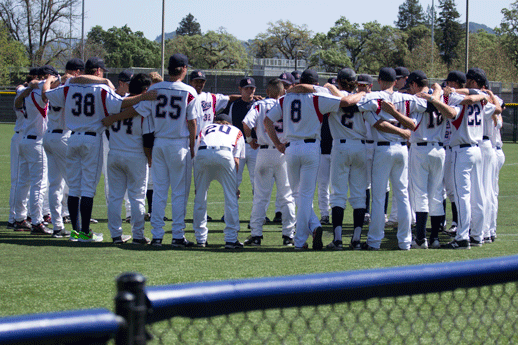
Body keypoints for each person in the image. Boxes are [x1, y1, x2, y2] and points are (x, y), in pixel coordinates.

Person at [44, 57, 152, 242]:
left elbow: (47, 94)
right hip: (92, 139)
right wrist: (143, 97)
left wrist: (49, 80)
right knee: (87, 188)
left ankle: (75, 232)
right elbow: (121, 104)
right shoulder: (101, 88)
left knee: (74, 187)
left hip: (72, 137)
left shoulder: (70, 86)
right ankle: (85, 232)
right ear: (98, 71)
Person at [103, 53, 200, 247]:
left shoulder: (155, 88)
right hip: (178, 143)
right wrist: (192, 145)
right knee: (179, 192)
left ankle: (157, 235)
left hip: (159, 143)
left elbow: (137, 110)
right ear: (183, 69)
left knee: (159, 191)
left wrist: (113, 118)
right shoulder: (189, 91)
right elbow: (192, 122)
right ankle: (177, 235)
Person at [264, 69, 361, 250]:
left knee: (297, 195)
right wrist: (362, 93)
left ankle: (313, 227)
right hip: (311, 147)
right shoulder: (317, 97)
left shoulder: (285, 99)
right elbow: (346, 102)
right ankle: (303, 238)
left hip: (291, 147)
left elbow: (267, 121)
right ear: (315, 83)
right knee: (306, 195)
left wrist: (278, 144)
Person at [357, 67, 423, 250]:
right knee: (402, 195)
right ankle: (404, 241)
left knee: (378, 197)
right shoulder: (409, 98)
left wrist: (395, 117)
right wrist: (403, 130)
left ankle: (374, 241)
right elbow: (415, 120)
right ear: (396, 81)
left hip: (383, 149)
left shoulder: (373, 97)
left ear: (379, 80)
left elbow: (376, 122)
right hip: (402, 149)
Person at [437, 68, 497, 249]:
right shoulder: (481, 96)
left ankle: (462, 236)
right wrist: (481, 96)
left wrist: (442, 95)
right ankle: (478, 235)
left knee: (463, 196)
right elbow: (494, 107)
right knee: (478, 195)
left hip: (461, 150)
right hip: (477, 148)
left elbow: (450, 108)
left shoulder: (458, 97)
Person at [399, 71, 459, 249]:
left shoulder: (418, 99)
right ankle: (434, 238)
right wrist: (437, 90)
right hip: (440, 148)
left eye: (411, 85)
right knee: (436, 194)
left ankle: (420, 239)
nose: (410, 88)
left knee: (420, 193)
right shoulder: (437, 97)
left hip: (421, 148)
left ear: (416, 84)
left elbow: (413, 125)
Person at [242, 78, 296, 246]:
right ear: (283, 92)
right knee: (287, 196)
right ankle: (288, 235)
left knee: (260, 197)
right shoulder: (286, 103)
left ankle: (256, 235)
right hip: (284, 151)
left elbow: (246, 122)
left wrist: (250, 138)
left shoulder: (260, 105)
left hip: (264, 152)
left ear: (267, 92)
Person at [104, 73, 153, 245]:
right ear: (145, 90)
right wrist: (149, 157)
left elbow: (108, 129)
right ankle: (138, 235)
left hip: (115, 152)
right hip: (135, 154)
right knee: (137, 197)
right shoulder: (145, 106)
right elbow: (148, 137)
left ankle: (116, 235)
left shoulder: (116, 102)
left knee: (115, 197)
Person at [323, 68, 370, 250]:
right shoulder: (363, 96)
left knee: (338, 195)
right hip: (360, 145)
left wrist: (330, 87)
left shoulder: (332, 94)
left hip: (340, 146)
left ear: (339, 82)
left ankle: (338, 239)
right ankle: (356, 239)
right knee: (359, 196)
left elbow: (339, 99)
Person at [13, 66, 61, 235]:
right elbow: (46, 92)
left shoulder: (26, 90)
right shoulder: (40, 88)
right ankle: (37, 222)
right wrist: (48, 80)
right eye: (53, 76)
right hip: (37, 141)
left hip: (26, 139)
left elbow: (17, 102)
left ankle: (19, 218)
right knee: (39, 185)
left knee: (23, 183)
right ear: (47, 76)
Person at [192, 116, 245, 248]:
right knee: (230, 198)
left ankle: (200, 239)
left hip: (203, 154)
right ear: (229, 122)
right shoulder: (236, 130)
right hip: (224, 153)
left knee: (200, 197)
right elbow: (236, 160)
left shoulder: (206, 128)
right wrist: (235, 186)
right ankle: (231, 239)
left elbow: (196, 150)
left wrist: (196, 185)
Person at [9, 67, 39, 231]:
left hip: (27, 135)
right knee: (18, 180)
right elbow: (20, 90)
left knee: (26, 180)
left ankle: (22, 216)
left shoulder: (37, 92)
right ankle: (14, 217)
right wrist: (32, 85)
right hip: (22, 134)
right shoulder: (24, 89)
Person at [222, 77, 259, 198]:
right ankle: (229, 214)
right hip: (238, 146)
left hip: (255, 146)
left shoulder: (258, 104)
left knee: (257, 181)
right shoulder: (234, 105)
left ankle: (259, 215)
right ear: (240, 89)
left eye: (252, 88)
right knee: (234, 178)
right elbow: (227, 124)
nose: (249, 91)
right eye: (246, 88)